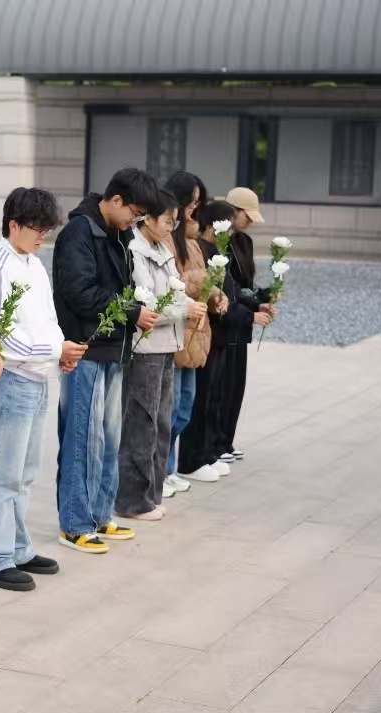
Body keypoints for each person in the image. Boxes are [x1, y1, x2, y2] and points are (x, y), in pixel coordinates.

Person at [0, 188, 86, 591]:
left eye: (47, 229)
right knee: (3, 473)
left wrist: (60, 354)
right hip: (12, 379)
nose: (43, 236)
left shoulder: (33, 264)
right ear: (14, 224)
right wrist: (56, 350)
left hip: (38, 379)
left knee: (25, 473)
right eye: (38, 228)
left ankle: (18, 549)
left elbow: (49, 320)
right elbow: (1, 338)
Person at [53, 167, 160, 554]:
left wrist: (135, 311)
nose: (136, 220)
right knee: (82, 438)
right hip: (85, 349)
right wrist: (132, 312)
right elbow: (80, 292)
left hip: (114, 348)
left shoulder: (119, 233)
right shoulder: (79, 232)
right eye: (135, 212)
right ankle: (74, 524)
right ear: (115, 200)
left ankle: (100, 515)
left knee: (109, 436)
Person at [114, 190, 207, 522]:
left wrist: (189, 306)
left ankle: (150, 496)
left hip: (167, 345)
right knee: (141, 422)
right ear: (148, 218)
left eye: (174, 221)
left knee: (161, 423)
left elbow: (174, 291)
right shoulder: (135, 251)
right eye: (168, 220)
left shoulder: (161, 248)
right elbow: (147, 303)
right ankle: (132, 501)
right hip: (146, 348)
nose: (172, 227)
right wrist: (185, 310)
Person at [178, 200, 248, 482]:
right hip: (205, 331)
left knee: (211, 398)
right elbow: (192, 286)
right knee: (197, 401)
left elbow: (231, 288)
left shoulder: (215, 249)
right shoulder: (198, 247)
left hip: (214, 333)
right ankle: (191, 459)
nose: (229, 233)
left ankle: (207, 453)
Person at [162, 171, 211, 496]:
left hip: (195, 331)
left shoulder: (191, 239)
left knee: (184, 408)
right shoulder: (167, 237)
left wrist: (215, 293)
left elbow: (198, 279)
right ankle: (162, 470)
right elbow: (172, 283)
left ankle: (168, 468)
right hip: (175, 329)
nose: (194, 209)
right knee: (170, 408)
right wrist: (202, 281)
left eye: (197, 203)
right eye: (191, 202)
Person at [219, 187, 274, 463]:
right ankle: (215, 443)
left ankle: (226, 440)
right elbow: (226, 288)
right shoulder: (220, 242)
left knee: (236, 386)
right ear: (234, 212)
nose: (250, 221)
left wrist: (261, 299)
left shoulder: (245, 241)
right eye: (247, 216)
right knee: (221, 387)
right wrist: (252, 307)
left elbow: (245, 285)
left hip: (242, 320)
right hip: (227, 319)